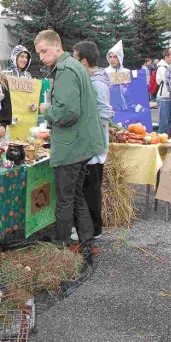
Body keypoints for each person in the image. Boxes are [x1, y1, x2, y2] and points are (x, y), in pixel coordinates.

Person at [35, 30, 105, 253]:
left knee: (65, 198)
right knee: (75, 195)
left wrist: (48, 110)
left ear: (57, 47)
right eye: (39, 53)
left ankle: (61, 245)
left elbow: (68, 113)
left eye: (44, 51)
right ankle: (87, 240)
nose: (41, 57)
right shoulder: (74, 66)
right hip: (82, 143)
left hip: (71, 145)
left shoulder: (65, 70)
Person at [71, 41, 113, 245]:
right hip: (92, 144)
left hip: (94, 146)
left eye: (75, 57)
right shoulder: (92, 79)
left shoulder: (97, 83)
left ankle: (94, 229)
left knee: (91, 189)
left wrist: (91, 134)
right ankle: (88, 226)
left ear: (84, 61)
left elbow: (104, 113)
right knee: (88, 188)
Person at [155, 49, 171, 135]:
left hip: (167, 96)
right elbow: (167, 81)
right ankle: (159, 139)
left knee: (169, 122)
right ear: (166, 57)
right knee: (164, 123)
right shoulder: (162, 68)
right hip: (163, 96)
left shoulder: (167, 67)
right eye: (170, 58)